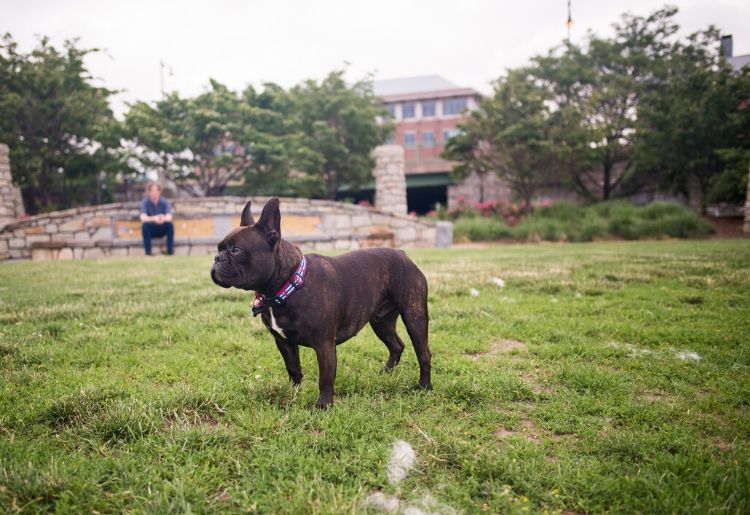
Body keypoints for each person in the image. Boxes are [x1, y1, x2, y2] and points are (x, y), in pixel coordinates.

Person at [139, 182, 174, 255]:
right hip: (151, 229)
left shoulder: (164, 201)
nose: (154, 193)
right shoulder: (145, 202)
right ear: (149, 192)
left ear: (159, 191)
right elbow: (143, 217)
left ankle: (170, 252)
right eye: (152, 190)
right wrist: (154, 218)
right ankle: (148, 253)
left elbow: (169, 216)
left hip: (162, 228)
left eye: (156, 190)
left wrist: (162, 218)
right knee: (145, 226)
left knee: (170, 225)